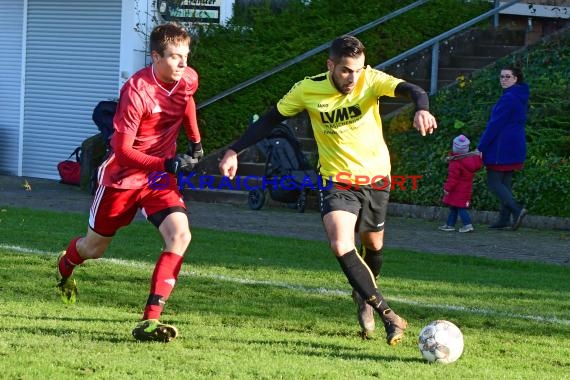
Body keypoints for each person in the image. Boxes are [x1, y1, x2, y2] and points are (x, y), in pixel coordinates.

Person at [218, 35, 437, 345]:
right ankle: (389, 315)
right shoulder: (308, 89)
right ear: (331, 65)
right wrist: (233, 150)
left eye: (358, 70)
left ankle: (363, 294)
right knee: (339, 243)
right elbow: (269, 119)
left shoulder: (370, 80)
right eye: (346, 70)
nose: (352, 78)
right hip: (336, 180)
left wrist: (421, 108)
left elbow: (413, 89)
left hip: (376, 178)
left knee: (373, 246)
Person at [56, 23, 204, 343]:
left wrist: (196, 143)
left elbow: (187, 101)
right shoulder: (136, 91)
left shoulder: (187, 78)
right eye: (175, 57)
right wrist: (166, 162)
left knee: (180, 235)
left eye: (186, 56)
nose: (183, 64)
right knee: (93, 249)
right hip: (121, 179)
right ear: (155, 57)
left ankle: (149, 321)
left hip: (158, 179)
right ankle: (66, 267)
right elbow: (123, 152)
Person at [477, 67, 529, 231]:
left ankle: (516, 209)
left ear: (516, 79)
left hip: (502, 144)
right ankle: (504, 218)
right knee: (505, 182)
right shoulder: (519, 96)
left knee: (494, 182)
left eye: (508, 77)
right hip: (515, 142)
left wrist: (481, 147)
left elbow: (495, 125)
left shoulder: (509, 98)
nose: (503, 79)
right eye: (501, 77)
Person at [438, 134, 483, 233]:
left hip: (456, 190)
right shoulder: (471, 159)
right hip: (466, 188)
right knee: (454, 206)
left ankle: (468, 225)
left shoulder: (456, 163)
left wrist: (447, 188)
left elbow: (453, 178)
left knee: (460, 208)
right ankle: (450, 224)